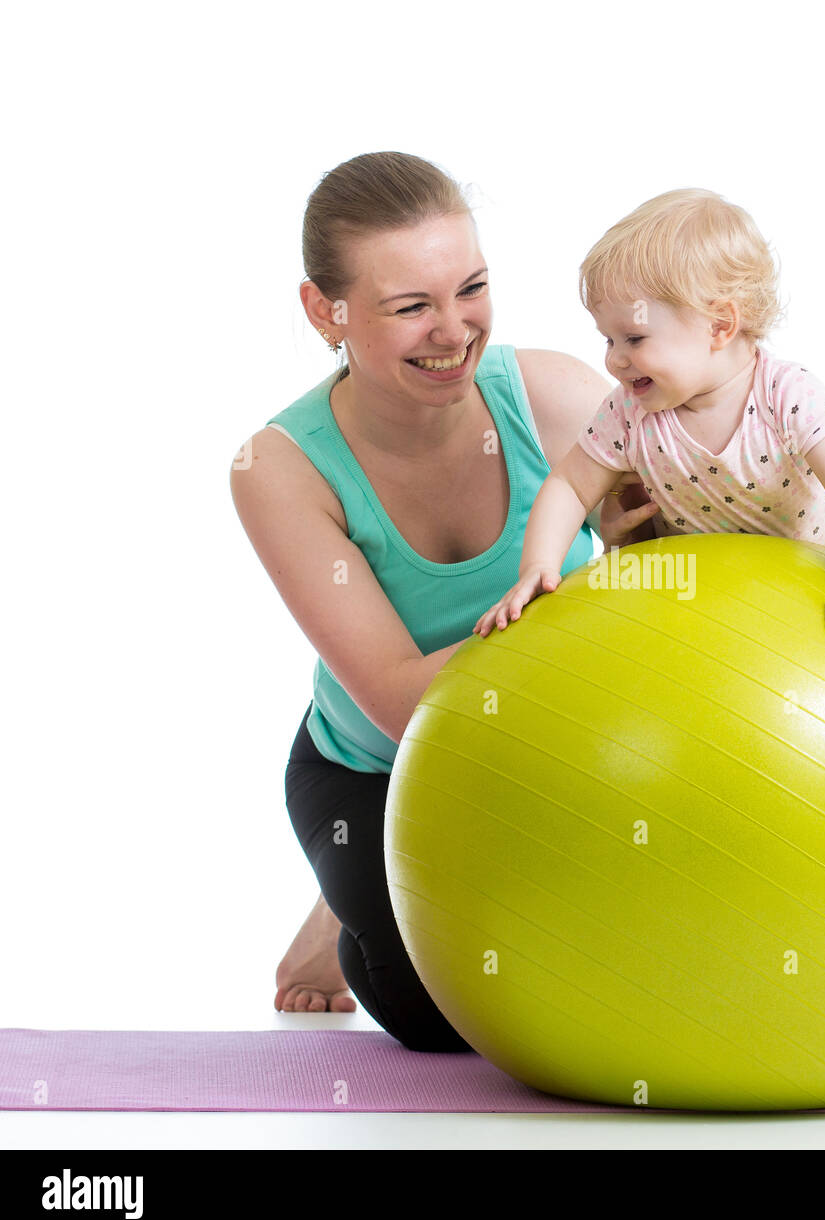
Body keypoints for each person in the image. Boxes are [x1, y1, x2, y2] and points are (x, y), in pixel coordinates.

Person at [229, 152, 664, 1048]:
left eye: (470, 288)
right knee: (444, 1024)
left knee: (609, 965)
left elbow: (681, 564)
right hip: (378, 771)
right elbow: (397, 698)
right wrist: (589, 612)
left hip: (552, 748)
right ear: (327, 312)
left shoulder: (551, 397)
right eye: (411, 306)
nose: (453, 329)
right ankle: (339, 909)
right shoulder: (276, 467)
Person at [474, 189, 825, 669]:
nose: (614, 359)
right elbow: (568, 486)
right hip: (696, 604)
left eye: (635, 338)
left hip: (802, 593)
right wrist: (538, 565)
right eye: (608, 339)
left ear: (719, 325)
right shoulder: (629, 412)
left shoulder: (786, 395)